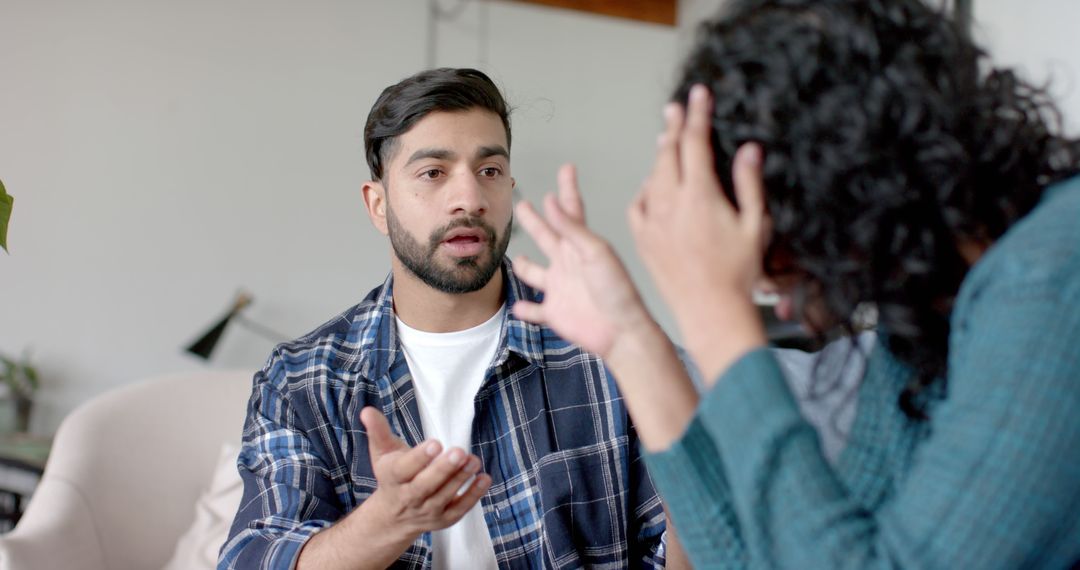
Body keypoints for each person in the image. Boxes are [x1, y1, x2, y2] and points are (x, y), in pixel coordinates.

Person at [510, 0, 1080, 568]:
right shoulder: (923, 314)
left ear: (839, 179)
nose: (758, 279)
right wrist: (629, 341)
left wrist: (717, 313)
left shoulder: (1053, 278)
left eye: (759, 232)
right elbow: (772, 555)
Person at [218, 68, 681, 569]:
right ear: (378, 205)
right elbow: (256, 558)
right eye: (433, 172)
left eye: (490, 171)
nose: (471, 199)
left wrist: (657, 374)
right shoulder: (301, 381)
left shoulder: (600, 350)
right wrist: (389, 520)